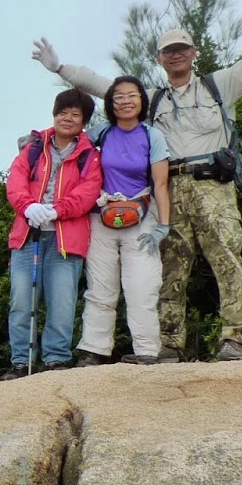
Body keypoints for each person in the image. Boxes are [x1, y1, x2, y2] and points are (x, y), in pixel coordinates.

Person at [30, 0, 242, 361]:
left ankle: (235, 339)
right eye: (168, 51)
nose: (176, 54)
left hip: (212, 184)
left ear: (194, 52)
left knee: (226, 257)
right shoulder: (151, 98)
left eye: (182, 48)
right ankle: (169, 343)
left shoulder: (219, 86)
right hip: (167, 188)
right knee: (170, 265)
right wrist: (60, 68)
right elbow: (102, 85)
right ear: (159, 58)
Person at [3, 88, 104, 379]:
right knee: (22, 301)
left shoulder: (90, 155)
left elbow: (88, 192)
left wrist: (57, 210)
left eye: (75, 114)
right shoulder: (33, 148)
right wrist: (28, 207)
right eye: (63, 112)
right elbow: (15, 183)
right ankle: (21, 362)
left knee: (62, 302)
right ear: (54, 114)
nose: (67, 118)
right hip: (27, 236)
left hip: (66, 239)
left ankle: (56, 359)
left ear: (84, 121)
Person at [75, 75, 171, 366]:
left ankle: (147, 350)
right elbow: (69, 140)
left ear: (142, 100)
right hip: (102, 216)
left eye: (132, 95)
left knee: (142, 285)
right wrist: (37, 140)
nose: (126, 101)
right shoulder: (101, 133)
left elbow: (161, 184)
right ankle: (93, 350)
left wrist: (163, 226)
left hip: (141, 217)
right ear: (110, 103)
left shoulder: (152, 136)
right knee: (100, 287)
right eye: (119, 97)